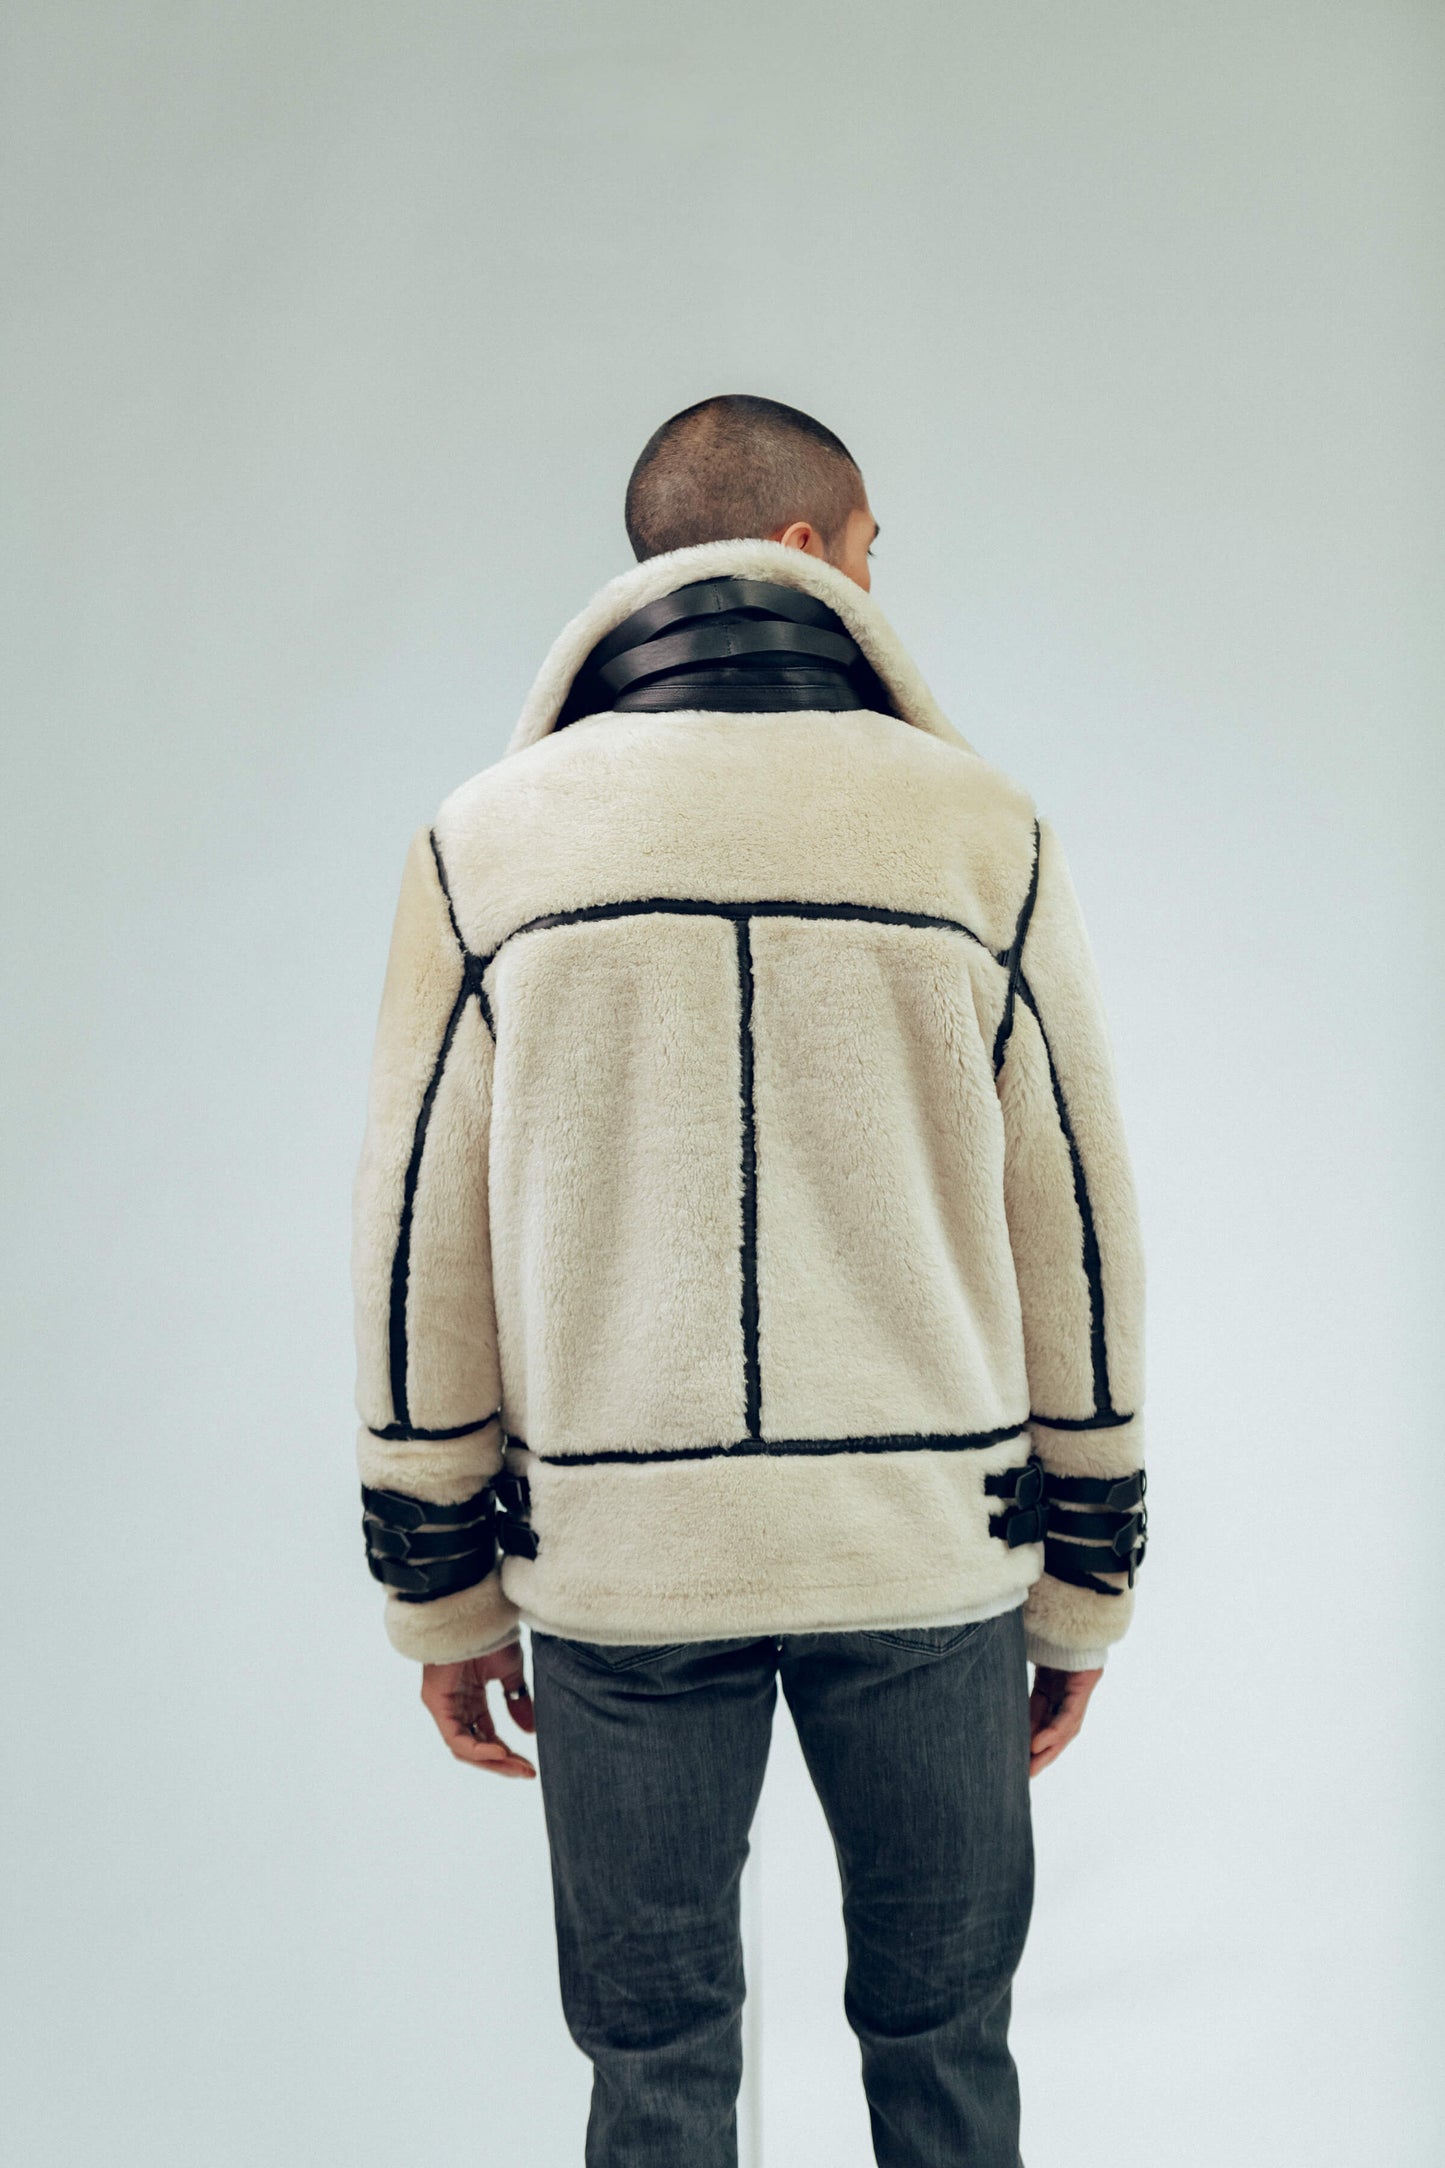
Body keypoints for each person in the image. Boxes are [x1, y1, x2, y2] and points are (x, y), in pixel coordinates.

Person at [350, 393, 1147, 2166]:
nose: (878, 582)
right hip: (921, 1545)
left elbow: (418, 1241)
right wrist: (1086, 1567)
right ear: (805, 551)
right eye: (872, 551)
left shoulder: (487, 841)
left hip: (621, 1559)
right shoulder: (980, 830)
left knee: (651, 2068)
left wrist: (440, 1583)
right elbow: (1077, 1221)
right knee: (945, 2048)